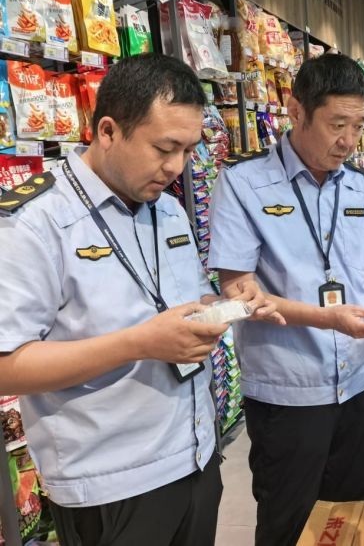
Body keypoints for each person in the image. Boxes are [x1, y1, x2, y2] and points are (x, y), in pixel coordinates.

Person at [0, 54, 280, 546]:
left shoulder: (167, 211)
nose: (176, 168)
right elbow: (6, 363)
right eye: (164, 148)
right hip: (110, 484)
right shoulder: (34, 222)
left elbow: (182, 299)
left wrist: (230, 301)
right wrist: (139, 344)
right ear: (107, 131)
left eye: (189, 151)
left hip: (194, 456)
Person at [207, 53, 364, 546]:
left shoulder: (360, 187)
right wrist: (328, 319)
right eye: (336, 124)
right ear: (296, 111)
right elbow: (239, 290)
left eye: (358, 125)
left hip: (356, 384)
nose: (348, 141)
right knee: (288, 522)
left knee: (349, 517)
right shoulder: (243, 184)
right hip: (288, 389)